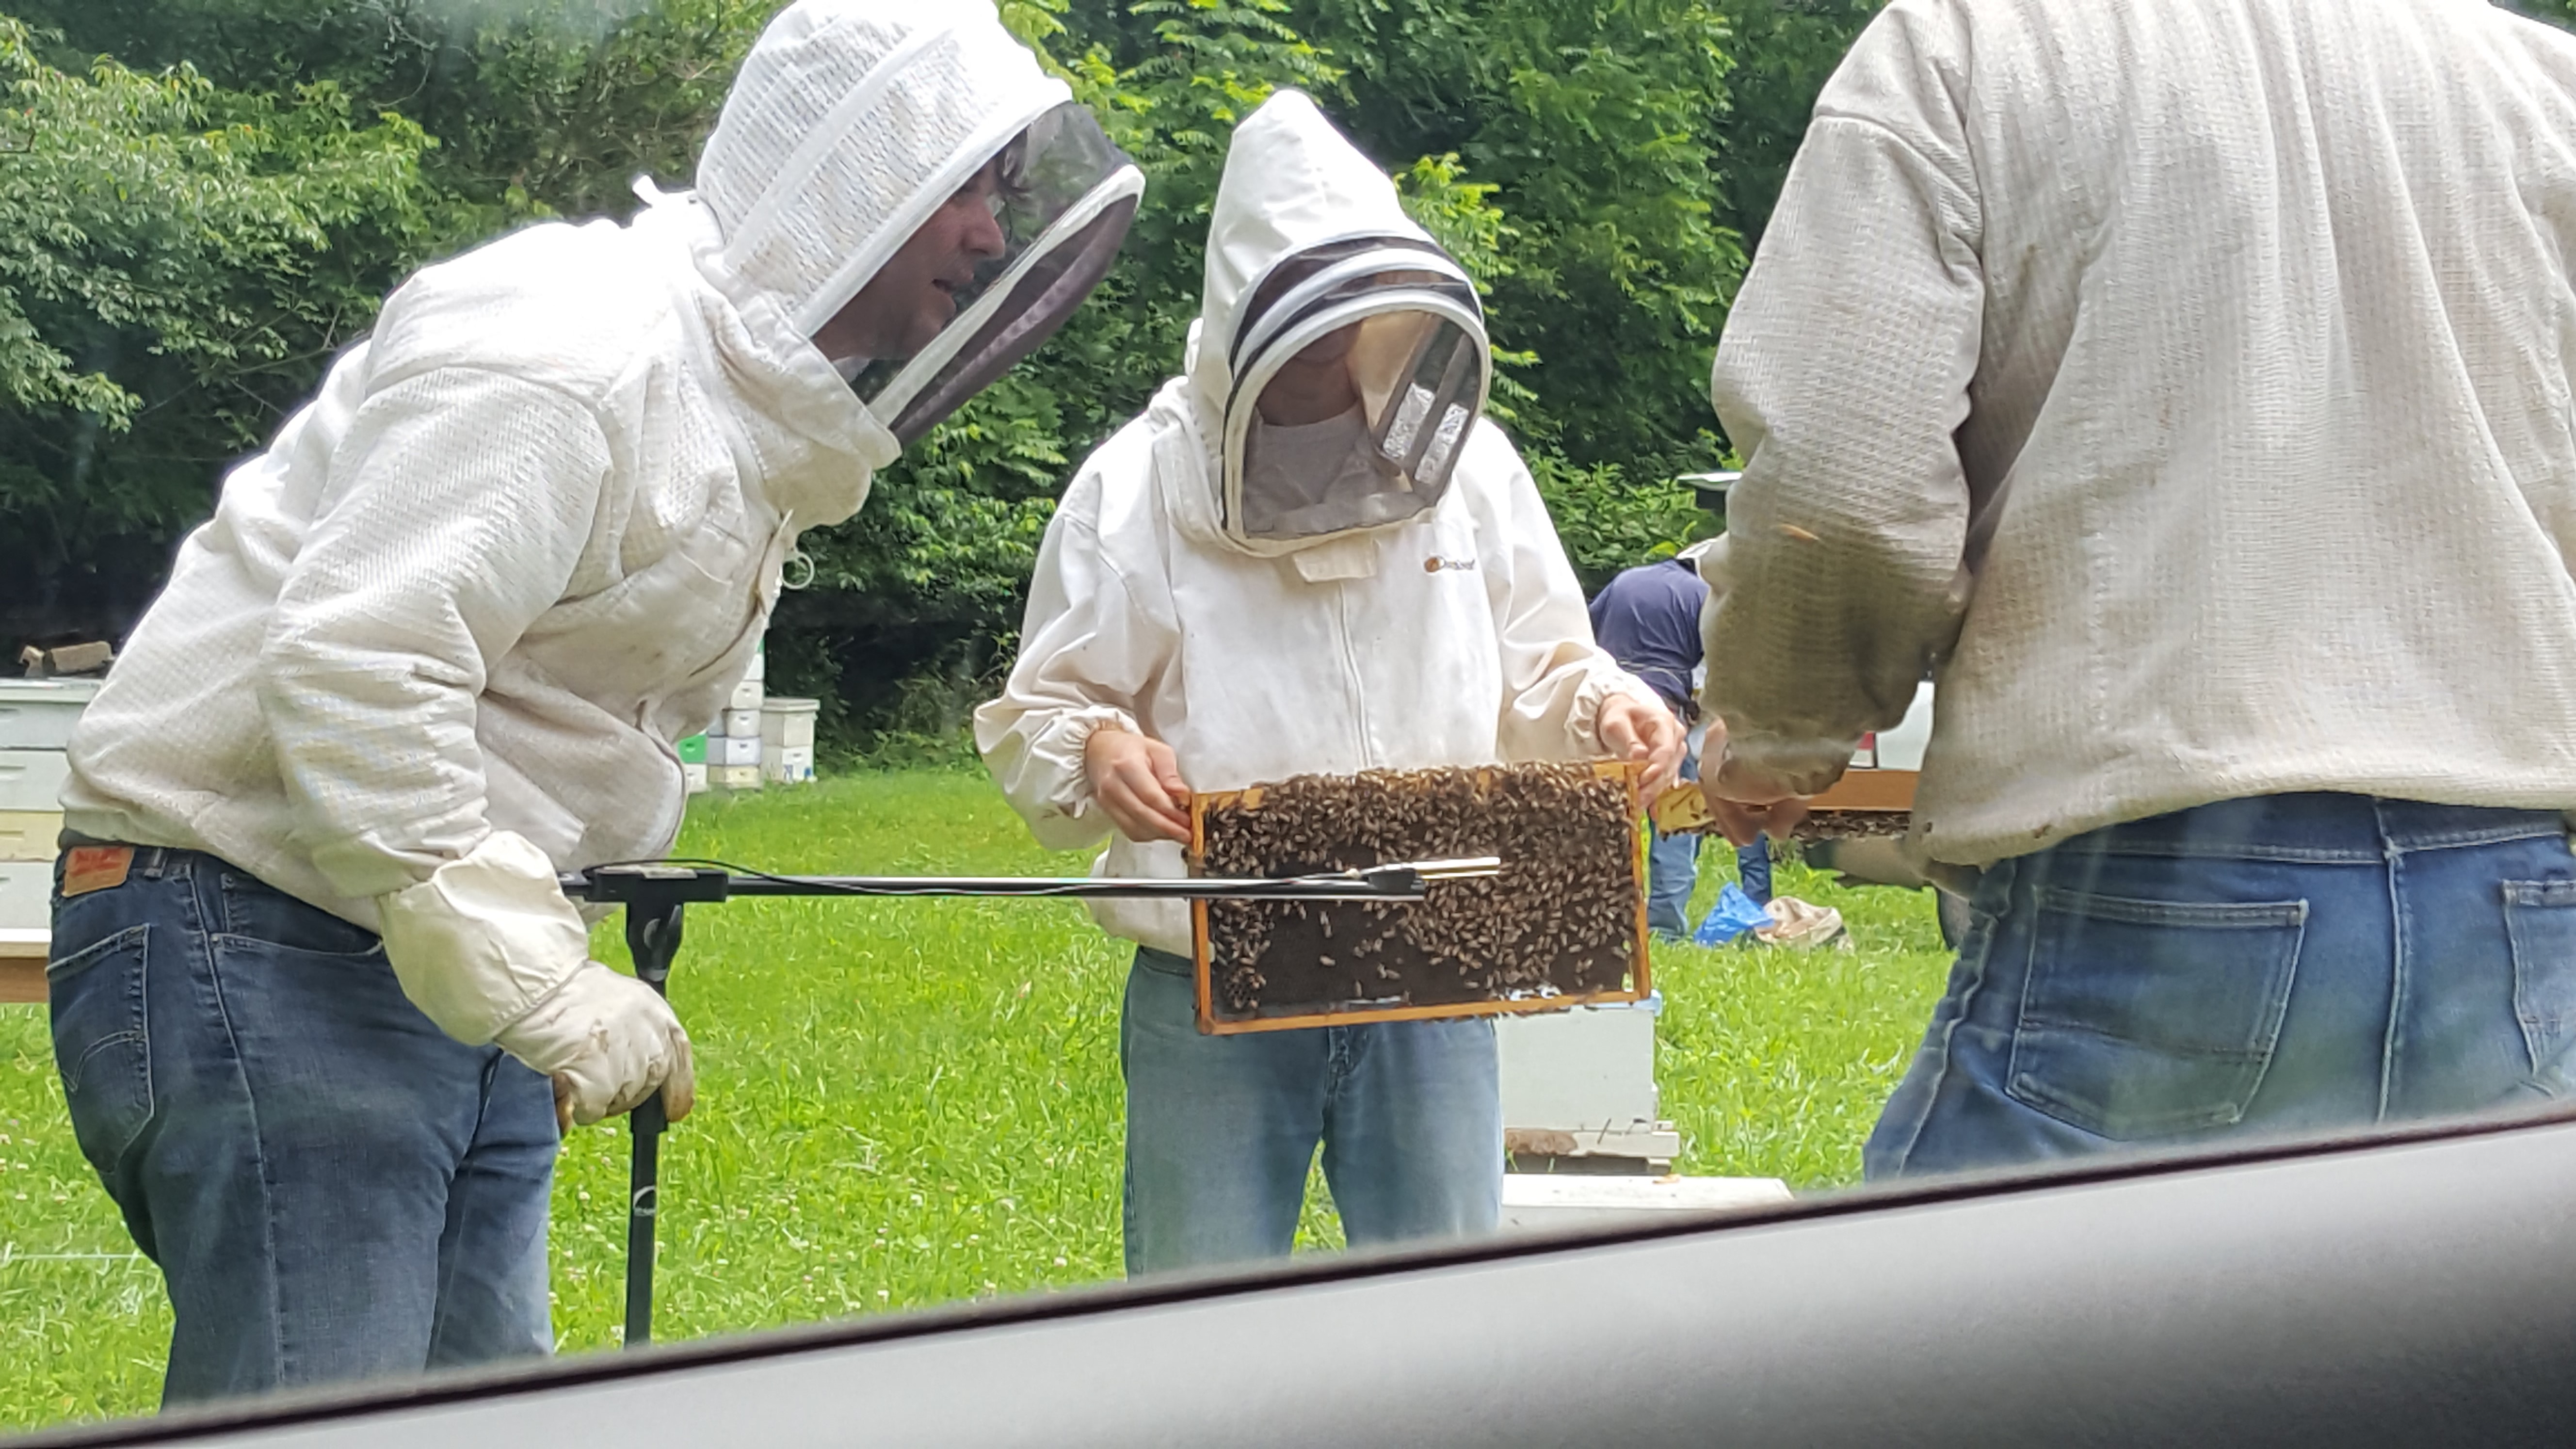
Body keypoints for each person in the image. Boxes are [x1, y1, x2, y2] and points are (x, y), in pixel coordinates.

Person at [46, 0, 1140, 1404]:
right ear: (862, 181)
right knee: (331, 1419)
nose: (994, 239)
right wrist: (538, 980)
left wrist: (529, 956)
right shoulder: (573, 351)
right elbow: (360, 660)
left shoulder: (725, 409)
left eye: (1005, 197)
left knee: (481, 1411)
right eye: (970, 194)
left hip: (408, 931)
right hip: (258, 911)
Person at [1697, 0, 2576, 1180]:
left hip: (2155, 875)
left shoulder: (1967, 47)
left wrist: (1773, 734)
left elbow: (1839, 480)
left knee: (1928, 1357)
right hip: (2519, 894)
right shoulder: (2538, 84)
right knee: (2443, 1366)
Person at [976, 90, 1681, 1275]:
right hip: (1212, 967)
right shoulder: (1135, 486)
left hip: (1434, 955)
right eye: (1300, 318)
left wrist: (1608, 707)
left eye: (1352, 315)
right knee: (1200, 1305)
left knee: (1441, 1312)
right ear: (1239, 315)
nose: (1324, 346)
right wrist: (1098, 748)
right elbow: (1047, 706)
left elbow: (1549, 662)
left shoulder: (1467, 466)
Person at [1588, 540, 1771, 939]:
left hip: (1603, 718)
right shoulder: (1708, 599)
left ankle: (1599, 919)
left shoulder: (1625, 582)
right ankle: (1664, 928)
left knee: (1600, 824)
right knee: (1672, 825)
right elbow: (1714, 686)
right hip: (1662, 720)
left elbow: (1582, 647)